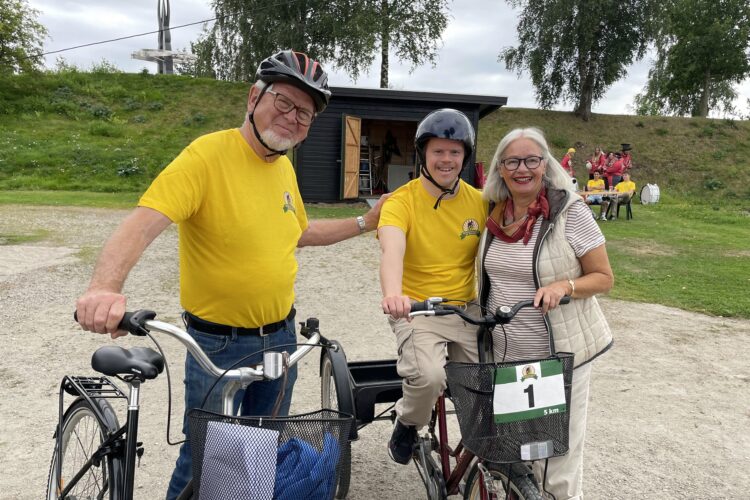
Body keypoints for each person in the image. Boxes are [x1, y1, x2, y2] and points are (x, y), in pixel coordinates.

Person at [74, 49, 387, 499]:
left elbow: (298, 232)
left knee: (260, 449)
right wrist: (104, 287)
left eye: (305, 113)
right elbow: (145, 220)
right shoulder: (207, 155)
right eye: (284, 102)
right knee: (204, 459)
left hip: (280, 338)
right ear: (253, 97)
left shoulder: (283, 168)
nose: (294, 118)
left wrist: (364, 223)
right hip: (218, 345)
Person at [478, 127, 614, 500]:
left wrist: (564, 287)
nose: (523, 169)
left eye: (532, 160)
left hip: (559, 355)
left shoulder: (571, 212)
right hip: (508, 354)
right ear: (500, 169)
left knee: (556, 460)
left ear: (546, 165)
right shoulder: (494, 214)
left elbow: (604, 277)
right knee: (518, 450)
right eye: (512, 161)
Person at [378, 108, 487, 464]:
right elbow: (391, 249)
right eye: (438, 151)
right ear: (423, 154)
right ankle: (408, 423)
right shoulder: (401, 202)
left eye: (455, 152)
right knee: (427, 377)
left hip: (466, 311)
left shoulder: (479, 201)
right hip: (418, 309)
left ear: (464, 157)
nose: (447, 159)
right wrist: (394, 295)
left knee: (488, 386)